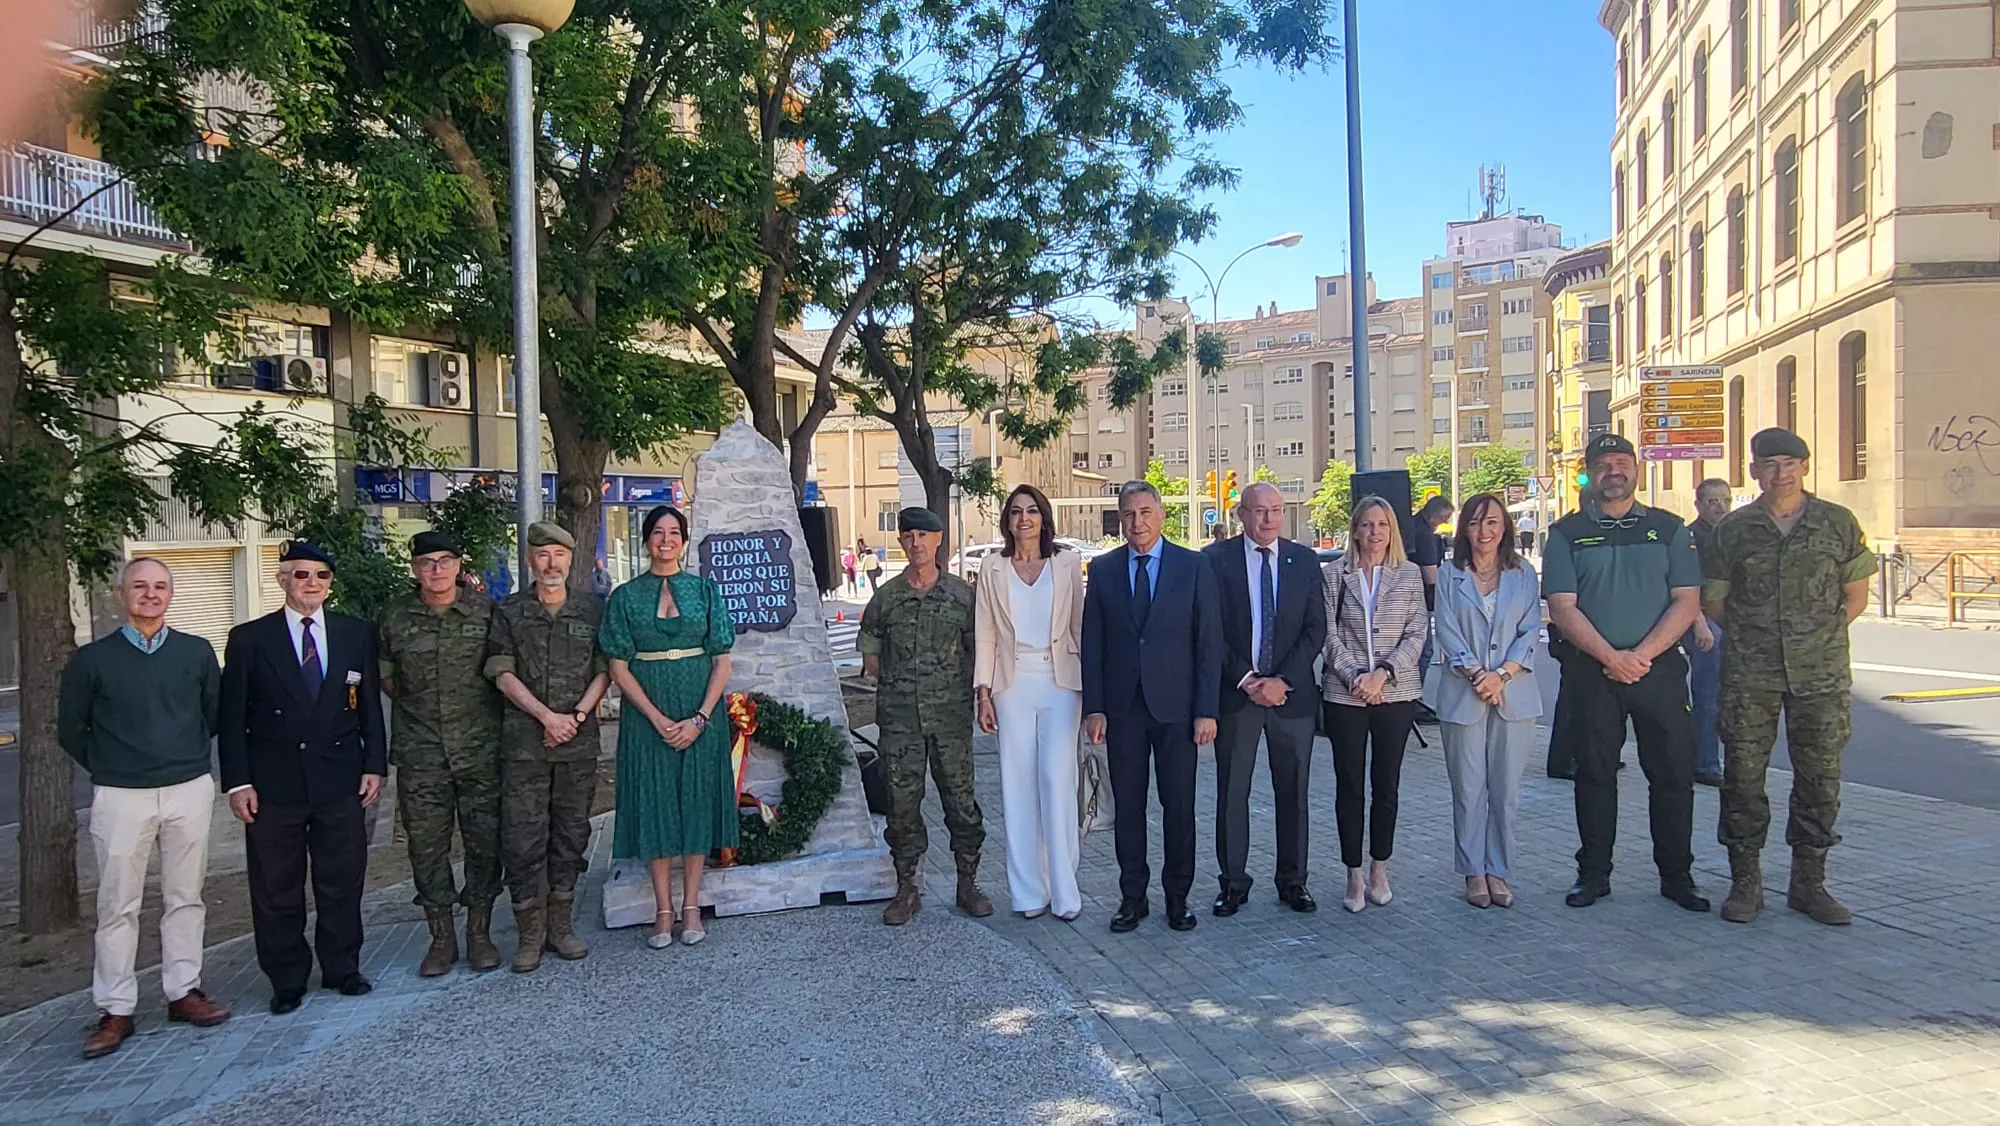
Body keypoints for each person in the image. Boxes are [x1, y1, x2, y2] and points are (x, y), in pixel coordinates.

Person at [1703, 428, 1876, 926]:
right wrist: (1758, 637)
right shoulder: (1733, 530)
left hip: (1820, 675)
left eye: (1790, 463)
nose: (1781, 473)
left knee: (1820, 779)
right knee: (1742, 777)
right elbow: (1715, 601)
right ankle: (1746, 882)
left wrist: (1814, 638)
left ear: (1804, 466)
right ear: (1754, 471)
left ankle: (1809, 883)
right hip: (1750, 674)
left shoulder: (1836, 523)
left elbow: (1856, 594)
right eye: (1770, 464)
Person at [59, 559, 231, 1058]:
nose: (150, 595)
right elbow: (72, 729)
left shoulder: (195, 653)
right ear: (121, 594)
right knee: (117, 904)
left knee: (185, 895)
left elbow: (211, 715)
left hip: (187, 789)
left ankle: (184, 991)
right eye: (140, 587)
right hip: (120, 795)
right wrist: (116, 764)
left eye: (159, 587)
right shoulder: (91, 661)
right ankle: (115, 1008)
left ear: (171, 595)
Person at [1542, 433, 1709, 913]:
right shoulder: (1566, 534)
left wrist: (1642, 655)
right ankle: (1593, 874)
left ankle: (1677, 876)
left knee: (1673, 774)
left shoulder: (1670, 529)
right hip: (1593, 674)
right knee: (1594, 775)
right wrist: (1610, 658)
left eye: (1622, 462)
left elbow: (1687, 600)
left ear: (1635, 469)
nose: (1614, 470)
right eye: (1603, 463)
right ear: (1590, 472)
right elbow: (1562, 606)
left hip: (1658, 673)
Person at [219, 541, 387, 1014]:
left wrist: (374, 764)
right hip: (275, 784)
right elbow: (231, 718)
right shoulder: (251, 638)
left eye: (321, 576)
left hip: (340, 778)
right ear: (281, 579)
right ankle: (287, 976)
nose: (311, 584)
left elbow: (370, 707)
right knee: (277, 886)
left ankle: (341, 966)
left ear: (330, 583)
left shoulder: (356, 634)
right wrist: (238, 782)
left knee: (341, 880)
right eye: (300, 575)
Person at [1082, 481, 1222, 934]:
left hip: (1178, 710)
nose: (1136, 523)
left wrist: (1207, 709)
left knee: (1178, 806)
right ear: (1119, 519)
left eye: (1144, 512)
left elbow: (1208, 643)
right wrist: (1095, 707)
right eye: (1127, 514)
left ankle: (1177, 897)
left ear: (1161, 515)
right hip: (1123, 710)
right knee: (1129, 808)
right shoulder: (1103, 570)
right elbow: (1094, 643)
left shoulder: (1193, 565)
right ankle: (1132, 898)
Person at [601, 506, 737, 948]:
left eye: (674, 532)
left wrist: (699, 718)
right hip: (648, 716)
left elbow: (722, 659)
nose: (665, 540)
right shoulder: (624, 596)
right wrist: (657, 719)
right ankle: (663, 910)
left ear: (683, 539)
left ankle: (692, 906)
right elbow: (618, 666)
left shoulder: (704, 590)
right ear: (646, 540)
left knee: (696, 800)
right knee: (657, 803)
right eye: (657, 532)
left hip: (700, 712)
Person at [485, 522, 612, 972]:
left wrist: (575, 717)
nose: (551, 564)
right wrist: (546, 717)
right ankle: (529, 931)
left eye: (559, 555)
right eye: (542, 555)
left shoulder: (593, 611)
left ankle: (560, 925)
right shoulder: (509, 611)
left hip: (577, 745)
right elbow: (502, 672)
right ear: (529, 560)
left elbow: (605, 669)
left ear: (571, 559)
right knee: (522, 837)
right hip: (526, 745)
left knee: (571, 834)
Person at [376, 530, 504, 977]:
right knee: (427, 849)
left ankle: (480, 933)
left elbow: (501, 673)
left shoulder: (485, 612)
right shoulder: (395, 616)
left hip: (480, 751)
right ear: (414, 569)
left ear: (458, 564)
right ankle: (441, 938)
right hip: (421, 755)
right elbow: (387, 679)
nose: (436, 570)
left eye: (444, 561)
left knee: (484, 844)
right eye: (427, 563)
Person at [860, 507, 994, 925]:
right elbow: (871, 656)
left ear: (938, 541)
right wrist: (903, 686)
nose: (915, 543)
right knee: (901, 805)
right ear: (901, 542)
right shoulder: (887, 597)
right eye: (908, 536)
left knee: (960, 802)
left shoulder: (962, 596)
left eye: (923, 536)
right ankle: (907, 887)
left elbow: (979, 654)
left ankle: (967, 883)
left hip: (950, 720)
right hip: (900, 723)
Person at [1203, 483, 1327, 916]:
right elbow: (1210, 630)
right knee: (1232, 791)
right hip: (1238, 695)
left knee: (1293, 791)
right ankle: (1233, 882)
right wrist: (1248, 678)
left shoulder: (1305, 560)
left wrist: (1283, 680)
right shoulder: (1215, 561)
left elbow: (1316, 629)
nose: (1269, 519)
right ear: (1241, 515)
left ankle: (1293, 882)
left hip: (1291, 699)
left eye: (1276, 510)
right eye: (1259, 511)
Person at [974, 485, 1086, 921]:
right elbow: (984, 631)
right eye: (1017, 511)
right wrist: (983, 691)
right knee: (1017, 785)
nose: (1024, 518)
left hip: (1060, 682)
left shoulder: (1066, 563)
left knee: (1057, 782)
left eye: (1033, 511)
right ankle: (1027, 893)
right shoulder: (992, 567)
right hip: (1010, 683)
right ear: (1008, 519)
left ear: (1044, 518)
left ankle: (1064, 890)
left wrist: (1092, 694)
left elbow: (1079, 625)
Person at [1430, 496, 1543, 909]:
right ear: (1464, 530)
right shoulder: (1449, 574)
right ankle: (1473, 872)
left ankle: (1499, 869)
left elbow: (1530, 629)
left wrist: (1502, 675)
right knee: (1469, 789)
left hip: (1514, 693)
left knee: (1506, 790)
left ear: (1505, 527)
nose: (1485, 532)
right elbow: (1445, 628)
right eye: (1476, 523)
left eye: (1493, 522)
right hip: (1465, 692)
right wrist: (1479, 674)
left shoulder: (1522, 574)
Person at [1320, 496, 1428, 913]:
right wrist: (1355, 677)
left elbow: (1417, 632)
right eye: (1367, 525)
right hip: (1345, 694)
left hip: (1394, 693)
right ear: (1355, 530)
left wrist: (1382, 673)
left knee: (1387, 785)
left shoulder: (1409, 575)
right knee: (1349, 785)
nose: (1374, 533)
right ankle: (1353, 873)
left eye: (1382, 525)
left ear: (1392, 530)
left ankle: (1380, 867)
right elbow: (1327, 635)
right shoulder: (1334, 575)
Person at [1686, 478, 1732, 787]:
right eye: (1713, 501)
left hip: (1732, 619)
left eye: (1725, 500)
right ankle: (1705, 763)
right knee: (1708, 695)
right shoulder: (1690, 537)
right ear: (1699, 504)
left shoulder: (1734, 533)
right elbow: (1688, 584)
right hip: (1703, 622)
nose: (1720, 507)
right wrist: (1699, 620)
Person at [1406, 494, 1454, 726]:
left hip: (1407, 599)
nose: (1443, 522)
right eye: (1444, 518)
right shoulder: (1425, 536)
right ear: (1434, 515)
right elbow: (1430, 575)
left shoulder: (1410, 525)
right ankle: (1413, 702)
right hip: (1420, 601)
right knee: (1423, 652)